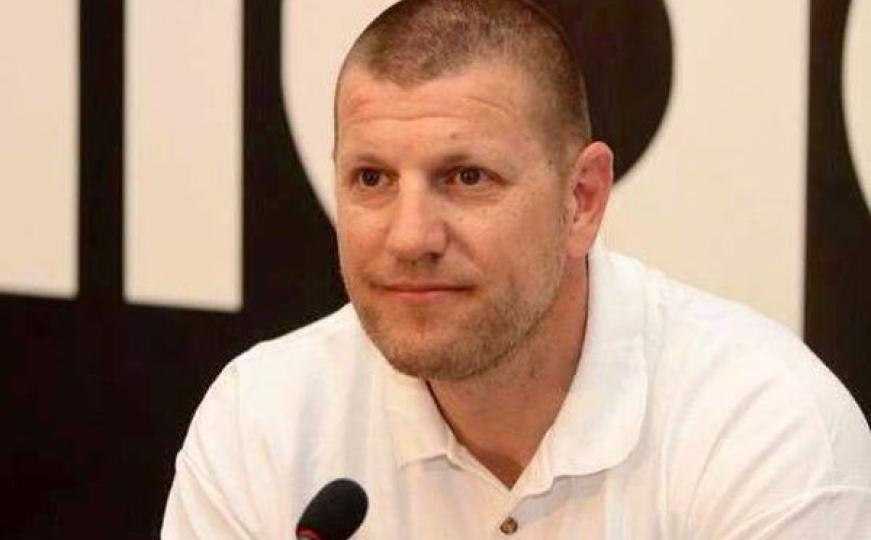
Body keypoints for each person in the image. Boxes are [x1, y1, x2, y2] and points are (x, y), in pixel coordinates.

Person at [162, 0, 871, 537]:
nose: (410, 237)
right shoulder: (263, 421)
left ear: (581, 199)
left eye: (467, 177)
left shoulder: (763, 431)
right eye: (372, 179)